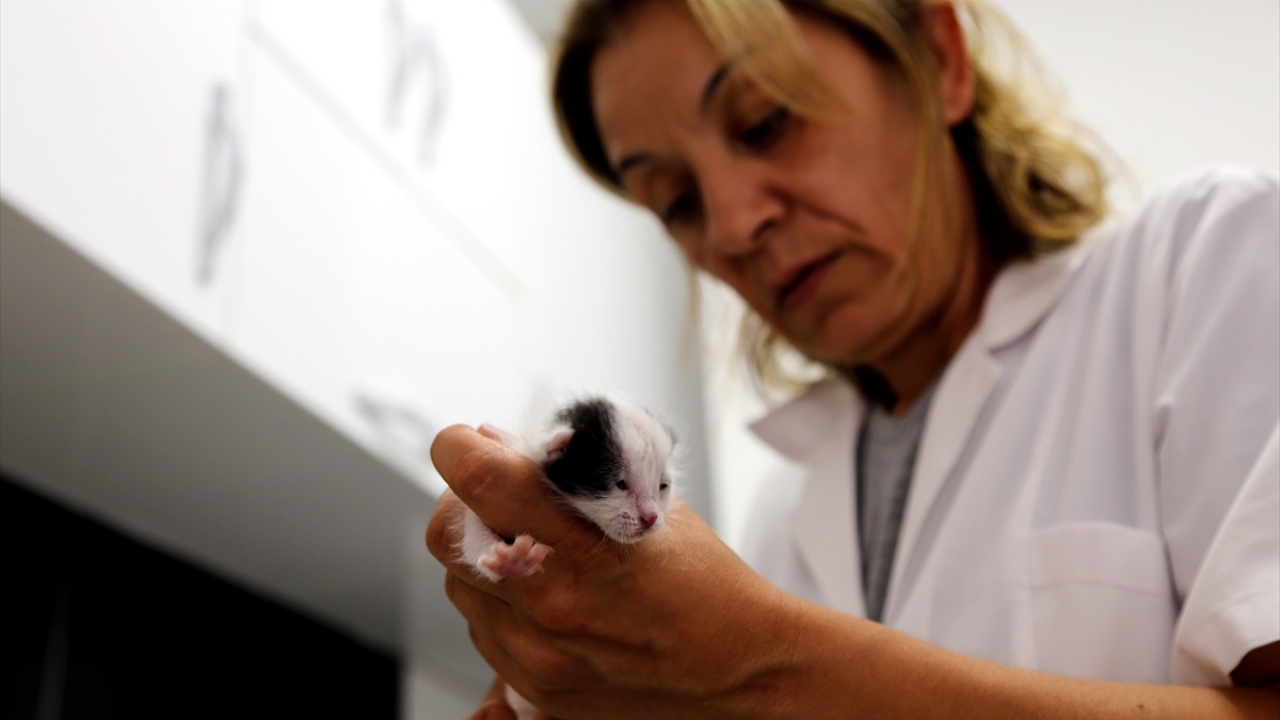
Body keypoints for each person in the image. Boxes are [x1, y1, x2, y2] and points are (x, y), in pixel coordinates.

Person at [425, 0, 1280, 717]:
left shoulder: (1211, 258)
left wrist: (761, 661)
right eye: (676, 201)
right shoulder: (784, 512)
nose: (729, 227)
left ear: (939, 56)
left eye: (766, 122)